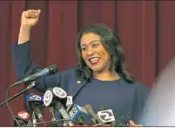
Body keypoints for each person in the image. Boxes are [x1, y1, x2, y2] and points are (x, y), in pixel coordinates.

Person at [12, 9, 150, 126]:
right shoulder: (70, 80)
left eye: (95, 45)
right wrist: (25, 27)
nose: (89, 52)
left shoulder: (138, 93)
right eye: (84, 48)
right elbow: (27, 74)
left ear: (111, 48)